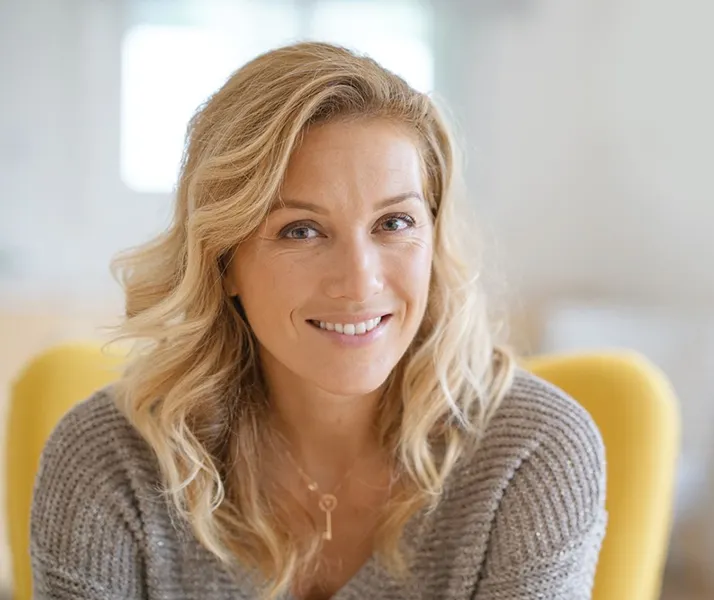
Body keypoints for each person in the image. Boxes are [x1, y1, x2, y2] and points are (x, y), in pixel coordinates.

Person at [30, 42, 607, 600]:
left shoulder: (532, 455)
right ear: (222, 261)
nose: (359, 282)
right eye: (300, 231)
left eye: (394, 223)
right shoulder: (109, 463)